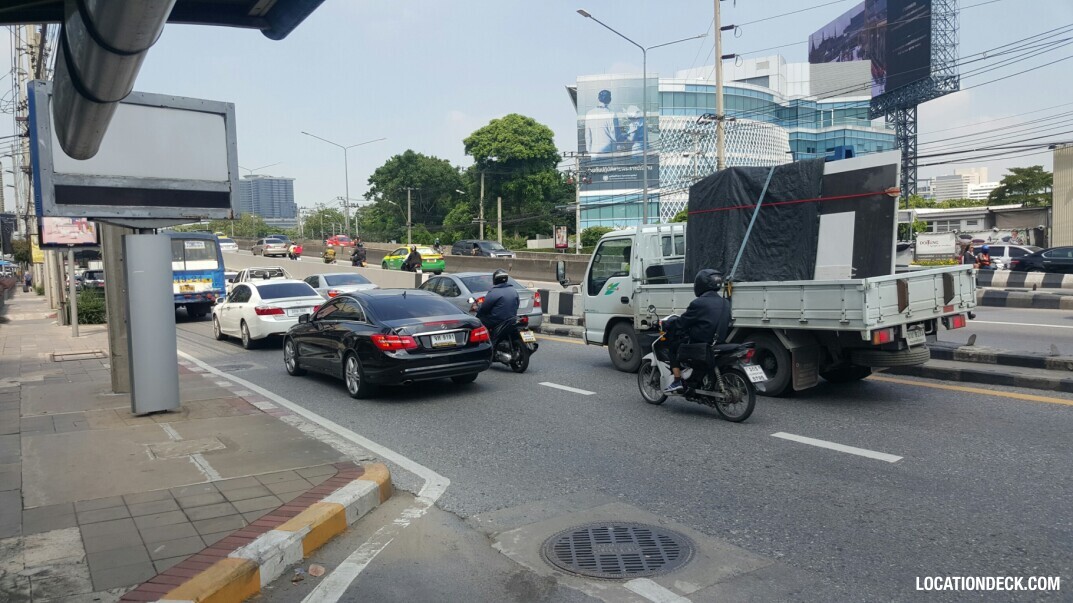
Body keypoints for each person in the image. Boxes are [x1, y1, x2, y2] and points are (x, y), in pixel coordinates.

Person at [665, 269, 732, 394]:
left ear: (700, 284)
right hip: (719, 341)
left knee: (673, 346)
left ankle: (677, 380)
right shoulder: (725, 302)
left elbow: (682, 323)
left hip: (701, 343)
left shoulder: (698, 303)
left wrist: (670, 324)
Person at [476, 269, 520, 339]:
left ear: (495, 280)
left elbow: (484, 308)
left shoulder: (494, 292)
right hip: (512, 319)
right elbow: (517, 305)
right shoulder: (513, 290)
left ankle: (488, 341)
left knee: (479, 323)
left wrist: (478, 312)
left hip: (497, 320)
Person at [585, 89, 619, 154]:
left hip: (594, 151)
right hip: (609, 150)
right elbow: (614, 136)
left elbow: (588, 136)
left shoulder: (589, 113)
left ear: (598, 99)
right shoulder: (612, 114)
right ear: (609, 100)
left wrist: (589, 151)